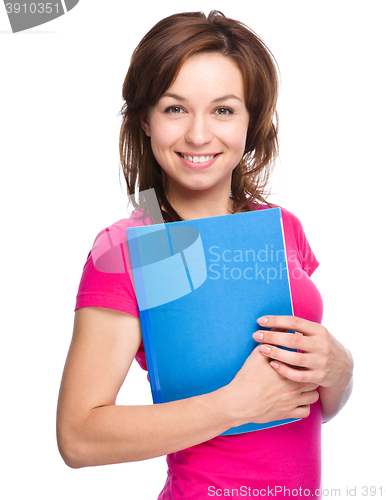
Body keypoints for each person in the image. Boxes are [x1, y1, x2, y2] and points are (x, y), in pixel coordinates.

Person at [56, 11, 354, 499]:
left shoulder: (282, 227)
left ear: (251, 121)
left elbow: (303, 404)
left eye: (223, 110)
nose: (198, 135)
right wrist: (233, 405)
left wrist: (341, 371)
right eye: (175, 109)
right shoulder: (128, 248)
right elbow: (78, 437)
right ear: (145, 120)